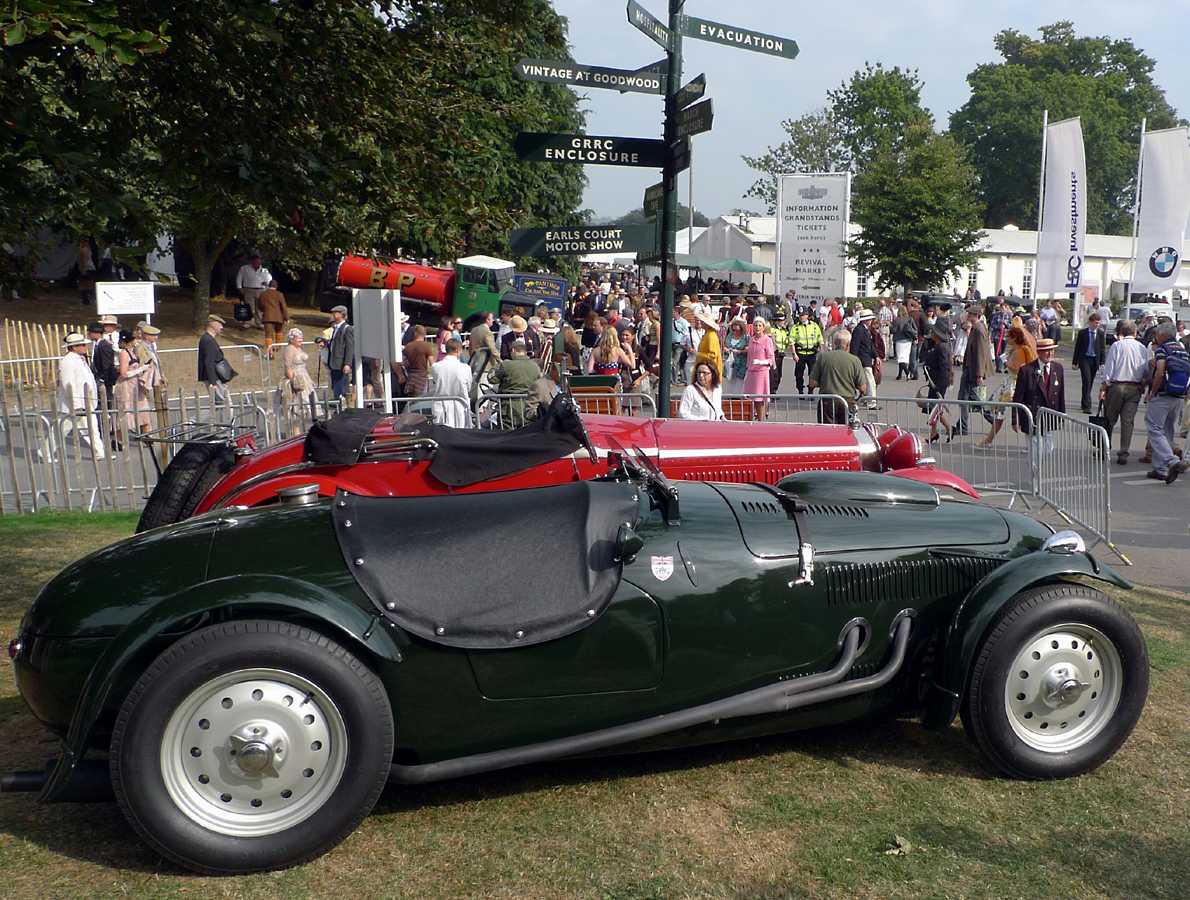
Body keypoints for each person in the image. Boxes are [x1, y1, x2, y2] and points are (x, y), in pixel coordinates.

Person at [1097, 319, 1149, 464]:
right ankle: (1123, 452)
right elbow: (1145, 370)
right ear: (1135, 332)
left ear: (1121, 332)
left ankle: (1105, 448)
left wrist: (1104, 386)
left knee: (1110, 418)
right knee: (1128, 421)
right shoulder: (1142, 348)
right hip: (1134, 387)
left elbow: (1109, 368)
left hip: (1117, 386)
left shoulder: (1117, 346)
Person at [1144, 323, 1190, 483]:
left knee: (1154, 428)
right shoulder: (1182, 350)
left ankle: (1172, 461)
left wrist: (1153, 391)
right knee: (1167, 430)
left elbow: (1160, 371)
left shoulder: (1163, 349)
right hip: (1178, 396)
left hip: (1163, 394)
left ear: (1162, 335)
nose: (1155, 336)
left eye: (1156, 334)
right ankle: (1160, 469)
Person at [979, 320, 1036, 447]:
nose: (1006, 338)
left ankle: (1029, 442)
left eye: (1008, 336)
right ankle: (989, 439)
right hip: (1008, 384)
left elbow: (1020, 369)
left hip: (1015, 385)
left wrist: (1008, 364)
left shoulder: (1022, 350)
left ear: (1014, 338)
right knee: (1000, 413)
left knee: (1011, 413)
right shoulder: (1014, 349)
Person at [56, 332, 105, 458]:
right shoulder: (67, 362)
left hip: (86, 401)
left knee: (92, 429)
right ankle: (45, 452)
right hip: (74, 403)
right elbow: (68, 384)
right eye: (82, 345)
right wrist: (76, 405)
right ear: (73, 347)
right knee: (60, 431)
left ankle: (100, 453)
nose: (85, 347)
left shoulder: (80, 359)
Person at [1012, 337, 1065, 442]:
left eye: (1052, 350)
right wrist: (1015, 419)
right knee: (1035, 450)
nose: (1050, 354)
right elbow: (1018, 397)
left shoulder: (1058, 368)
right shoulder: (1026, 370)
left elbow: (1060, 394)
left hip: (1050, 417)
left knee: (1048, 450)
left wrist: (1062, 416)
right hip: (1032, 416)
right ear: (1039, 352)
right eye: (1046, 351)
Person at [809, 330, 865, 425]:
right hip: (848, 401)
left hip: (827, 401)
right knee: (846, 431)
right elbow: (862, 387)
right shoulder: (855, 360)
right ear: (848, 344)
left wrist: (823, 382)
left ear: (834, 343)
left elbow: (812, 383)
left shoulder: (823, 357)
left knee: (828, 433)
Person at [956, 305, 993, 436]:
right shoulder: (976, 328)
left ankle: (965, 426)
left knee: (965, 398)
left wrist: (979, 374)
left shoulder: (978, 329)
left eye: (970, 314)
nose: (967, 316)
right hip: (970, 369)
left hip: (972, 370)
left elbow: (980, 353)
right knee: (970, 397)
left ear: (975, 315)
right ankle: (962, 425)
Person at [277, 327, 318, 431]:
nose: (301, 340)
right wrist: (293, 383)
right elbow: (288, 367)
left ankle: (303, 431)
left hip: (304, 376)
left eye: (302, 338)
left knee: (307, 405)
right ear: (292, 339)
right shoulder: (289, 349)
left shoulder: (298, 348)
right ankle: (296, 432)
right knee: (297, 407)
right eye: (298, 338)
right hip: (296, 378)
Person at [493, 339, 542, 427]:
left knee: (505, 436)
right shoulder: (535, 366)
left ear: (513, 350)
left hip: (508, 409)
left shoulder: (506, 365)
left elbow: (492, 379)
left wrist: (497, 366)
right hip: (528, 408)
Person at [426, 338, 472, 427]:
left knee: (442, 434)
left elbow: (434, 384)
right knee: (461, 434)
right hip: (460, 406)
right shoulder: (465, 368)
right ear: (458, 350)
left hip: (441, 405)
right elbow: (468, 387)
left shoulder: (436, 367)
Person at [921, 322, 955, 443]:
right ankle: (936, 431)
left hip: (938, 382)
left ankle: (947, 428)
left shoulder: (942, 347)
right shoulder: (938, 345)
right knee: (933, 408)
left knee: (935, 408)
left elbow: (944, 367)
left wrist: (939, 386)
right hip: (934, 380)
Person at [1073, 312, 1107, 414]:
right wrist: (1075, 362)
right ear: (1090, 322)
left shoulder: (1100, 333)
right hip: (1084, 359)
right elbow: (1077, 348)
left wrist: (1102, 362)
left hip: (1094, 360)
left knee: (1090, 382)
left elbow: (1102, 348)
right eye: (1095, 323)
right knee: (1087, 380)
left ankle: (1084, 401)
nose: (1097, 325)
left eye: (1098, 323)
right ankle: (1087, 406)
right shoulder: (1083, 333)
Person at [744, 317, 776, 418]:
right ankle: (751, 420)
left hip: (761, 373)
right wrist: (748, 367)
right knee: (750, 398)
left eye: (759, 325)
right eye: (755, 325)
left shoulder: (767, 340)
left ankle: (761, 421)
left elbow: (771, 359)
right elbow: (749, 357)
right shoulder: (751, 339)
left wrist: (761, 362)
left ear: (763, 327)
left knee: (760, 399)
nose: (757, 327)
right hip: (751, 372)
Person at [197, 314, 232, 406]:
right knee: (225, 403)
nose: (222, 327)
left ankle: (193, 420)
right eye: (220, 324)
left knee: (218, 404)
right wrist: (213, 382)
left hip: (215, 377)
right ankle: (193, 420)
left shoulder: (207, 339)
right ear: (213, 324)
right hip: (214, 378)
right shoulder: (208, 340)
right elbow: (209, 362)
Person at [790, 307, 824, 395]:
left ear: (807, 316)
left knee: (812, 373)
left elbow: (820, 339)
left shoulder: (814, 326)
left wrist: (821, 352)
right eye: (800, 315)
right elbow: (791, 342)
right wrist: (794, 354)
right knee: (798, 373)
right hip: (800, 354)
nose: (802, 317)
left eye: (803, 315)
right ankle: (800, 390)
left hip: (812, 353)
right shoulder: (796, 327)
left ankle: (811, 389)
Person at [849, 309, 878, 408]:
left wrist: (876, 356)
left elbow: (870, 345)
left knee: (866, 381)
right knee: (870, 381)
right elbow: (855, 346)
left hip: (865, 358)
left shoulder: (864, 329)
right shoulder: (859, 330)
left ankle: (866, 399)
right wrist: (854, 360)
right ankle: (871, 402)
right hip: (863, 359)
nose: (871, 321)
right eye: (869, 319)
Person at [326, 305, 354, 402]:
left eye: (336, 312)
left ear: (342, 314)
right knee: (335, 385)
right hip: (334, 362)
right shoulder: (336, 328)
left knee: (341, 386)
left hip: (341, 363)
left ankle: (340, 405)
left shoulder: (347, 328)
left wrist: (347, 364)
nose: (333, 314)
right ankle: (337, 402)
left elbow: (350, 348)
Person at [86, 321, 117, 409]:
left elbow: (107, 364)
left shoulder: (104, 345)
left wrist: (103, 378)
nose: (89, 335)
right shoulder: (96, 345)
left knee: (105, 401)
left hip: (103, 379)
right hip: (97, 376)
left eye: (90, 333)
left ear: (96, 333)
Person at [236, 253, 271, 327]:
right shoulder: (244, 268)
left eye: (258, 262)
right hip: (248, 289)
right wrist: (239, 287)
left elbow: (269, 280)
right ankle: (247, 323)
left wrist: (267, 284)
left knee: (259, 308)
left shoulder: (265, 270)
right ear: (251, 261)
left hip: (261, 290)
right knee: (249, 307)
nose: (257, 264)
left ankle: (259, 323)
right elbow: (239, 278)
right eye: (255, 262)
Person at [256, 279, 289, 354]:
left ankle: (270, 351)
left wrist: (263, 310)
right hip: (278, 317)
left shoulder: (263, 294)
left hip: (267, 317)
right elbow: (283, 307)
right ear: (276, 286)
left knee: (268, 334)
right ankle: (278, 346)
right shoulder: (279, 294)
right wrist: (286, 317)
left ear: (269, 286)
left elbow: (260, 306)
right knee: (279, 331)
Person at [402, 325, 436, 397]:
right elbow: (432, 364)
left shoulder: (408, 346)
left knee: (410, 400)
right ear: (424, 334)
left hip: (410, 377)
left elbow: (404, 363)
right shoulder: (427, 346)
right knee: (421, 400)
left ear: (415, 334)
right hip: (422, 377)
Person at [692, 310, 723, 381]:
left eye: (703, 321)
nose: (701, 322)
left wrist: (698, 354)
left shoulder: (711, 335)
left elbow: (712, 355)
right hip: (706, 369)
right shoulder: (707, 334)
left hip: (709, 371)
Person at [768, 310, 793, 394]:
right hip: (774, 353)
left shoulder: (784, 330)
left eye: (783, 320)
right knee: (774, 374)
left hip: (781, 354)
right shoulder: (772, 330)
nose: (783, 322)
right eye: (782, 321)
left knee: (779, 375)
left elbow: (786, 341)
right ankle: (772, 392)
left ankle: (774, 390)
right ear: (777, 321)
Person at [891, 305, 917, 380]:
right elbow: (915, 329)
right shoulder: (910, 319)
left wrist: (891, 326)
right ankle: (899, 374)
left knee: (900, 358)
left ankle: (907, 372)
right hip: (908, 340)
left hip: (899, 340)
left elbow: (894, 330)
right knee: (904, 358)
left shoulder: (897, 320)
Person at [723, 317, 749, 390]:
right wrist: (726, 349)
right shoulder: (729, 336)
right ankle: (730, 398)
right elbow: (724, 346)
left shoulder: (746, 337)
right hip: (729, 363)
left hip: (741, 365)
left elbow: (748, 349)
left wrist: (739, 351)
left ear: (741, 329)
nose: (735, 332)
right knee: (729, 384)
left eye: (737, 330)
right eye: (733, 330)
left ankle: (737, 399)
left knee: (739, 386)